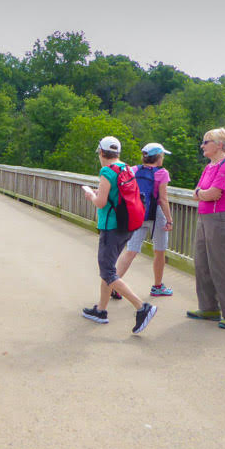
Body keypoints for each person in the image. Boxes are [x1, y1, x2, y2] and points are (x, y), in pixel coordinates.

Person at [82, 136, 157, 334]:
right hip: (127, 225)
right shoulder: (125, 168)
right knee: (109, 268)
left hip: (111, 227)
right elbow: (117, 195)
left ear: (101, 152)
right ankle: (101, 310)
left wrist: (91, 195)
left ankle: (142, 307)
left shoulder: (107, 171)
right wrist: (102, 193)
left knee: (107, 271)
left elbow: (100, 203)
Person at [187, 128, 225, 329]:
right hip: (204, 217)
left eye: (206, 141)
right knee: (202, 263)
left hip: (220, 218)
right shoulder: (210, 166)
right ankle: (208, 307)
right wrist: (203, 193)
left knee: (221, 265)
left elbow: (214, 193)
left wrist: (203, 193)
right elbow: (201, 193)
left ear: (220, 144)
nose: (202, 145)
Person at [115, 142, 174, 297]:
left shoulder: (134, 170)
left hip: (137, 214)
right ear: (159, 157)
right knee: (159, 251)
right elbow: (163, 199)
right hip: (157, 216)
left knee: (131, 251)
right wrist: (169, 220)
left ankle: (114, 284)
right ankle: (157, 287)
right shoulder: (162, 173)